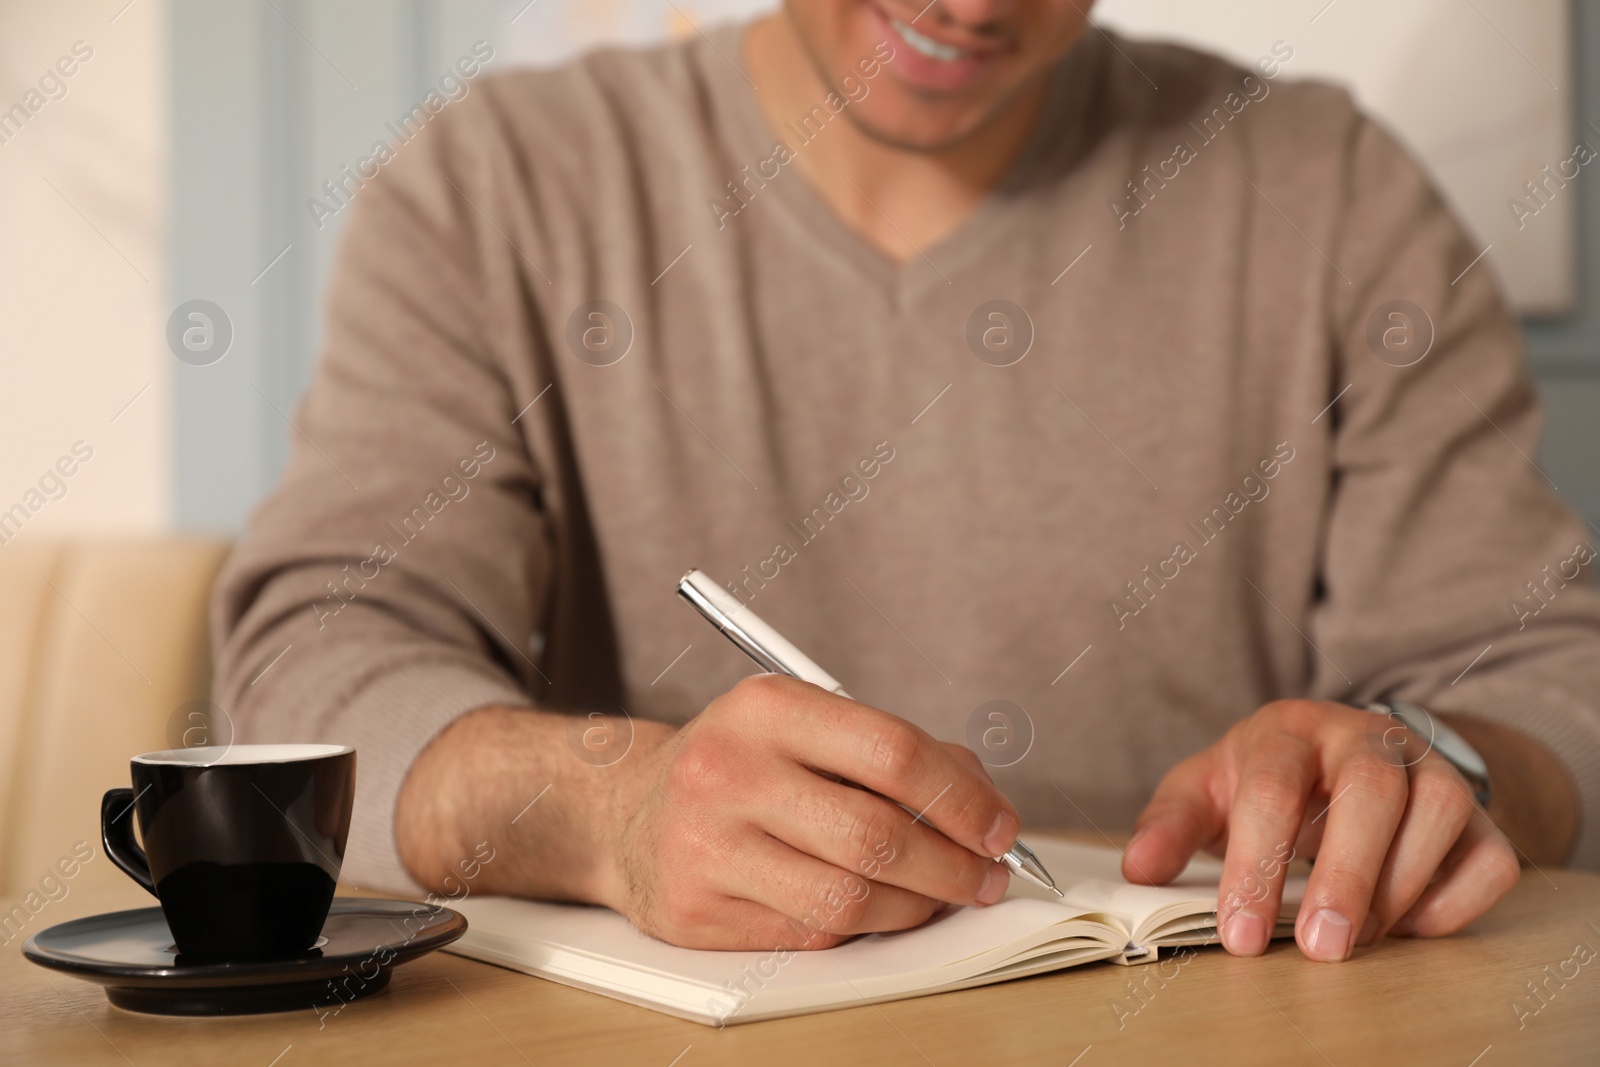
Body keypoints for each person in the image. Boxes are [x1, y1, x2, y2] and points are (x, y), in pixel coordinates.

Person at [213, 0, 1600, 964]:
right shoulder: (498, 186)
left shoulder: (1333, 195)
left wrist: (1442, 768)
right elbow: (314, 659)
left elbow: (1546, 678)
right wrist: (605, 806)